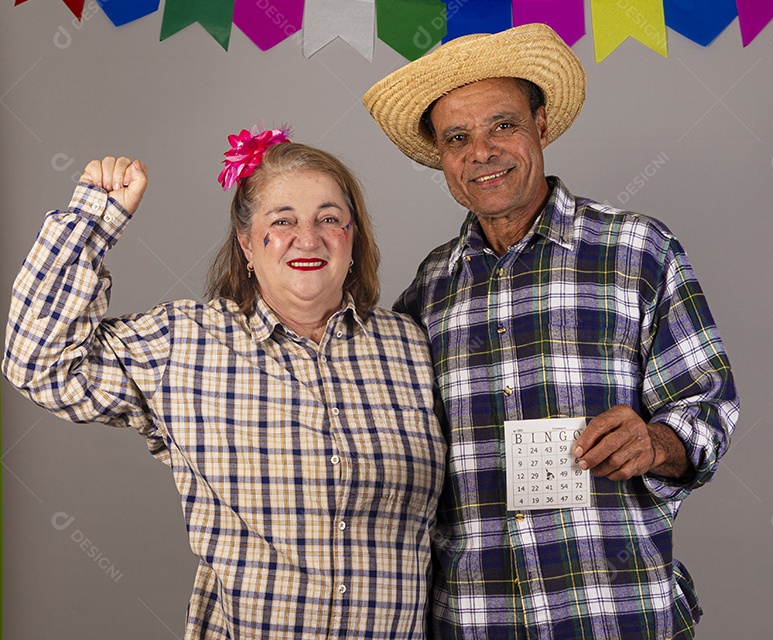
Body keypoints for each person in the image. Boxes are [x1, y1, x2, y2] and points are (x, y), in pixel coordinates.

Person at [362, 23, 739, 639]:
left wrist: (656, 442)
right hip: (476, 622)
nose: (481, 151)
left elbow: (709, 408)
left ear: (541, 125)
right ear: (442, 158)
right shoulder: (426, 293)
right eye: (458, 137)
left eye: (501, 125)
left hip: (618, 615)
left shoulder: (638, 250)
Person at [3, 132, 446, 639]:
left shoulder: (411, 345)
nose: (308, 237)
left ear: (353, 236)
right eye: (282, 221)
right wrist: (94, 219)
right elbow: (38, 361)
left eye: (329, 219)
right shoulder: (184, 343)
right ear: (246, 245)